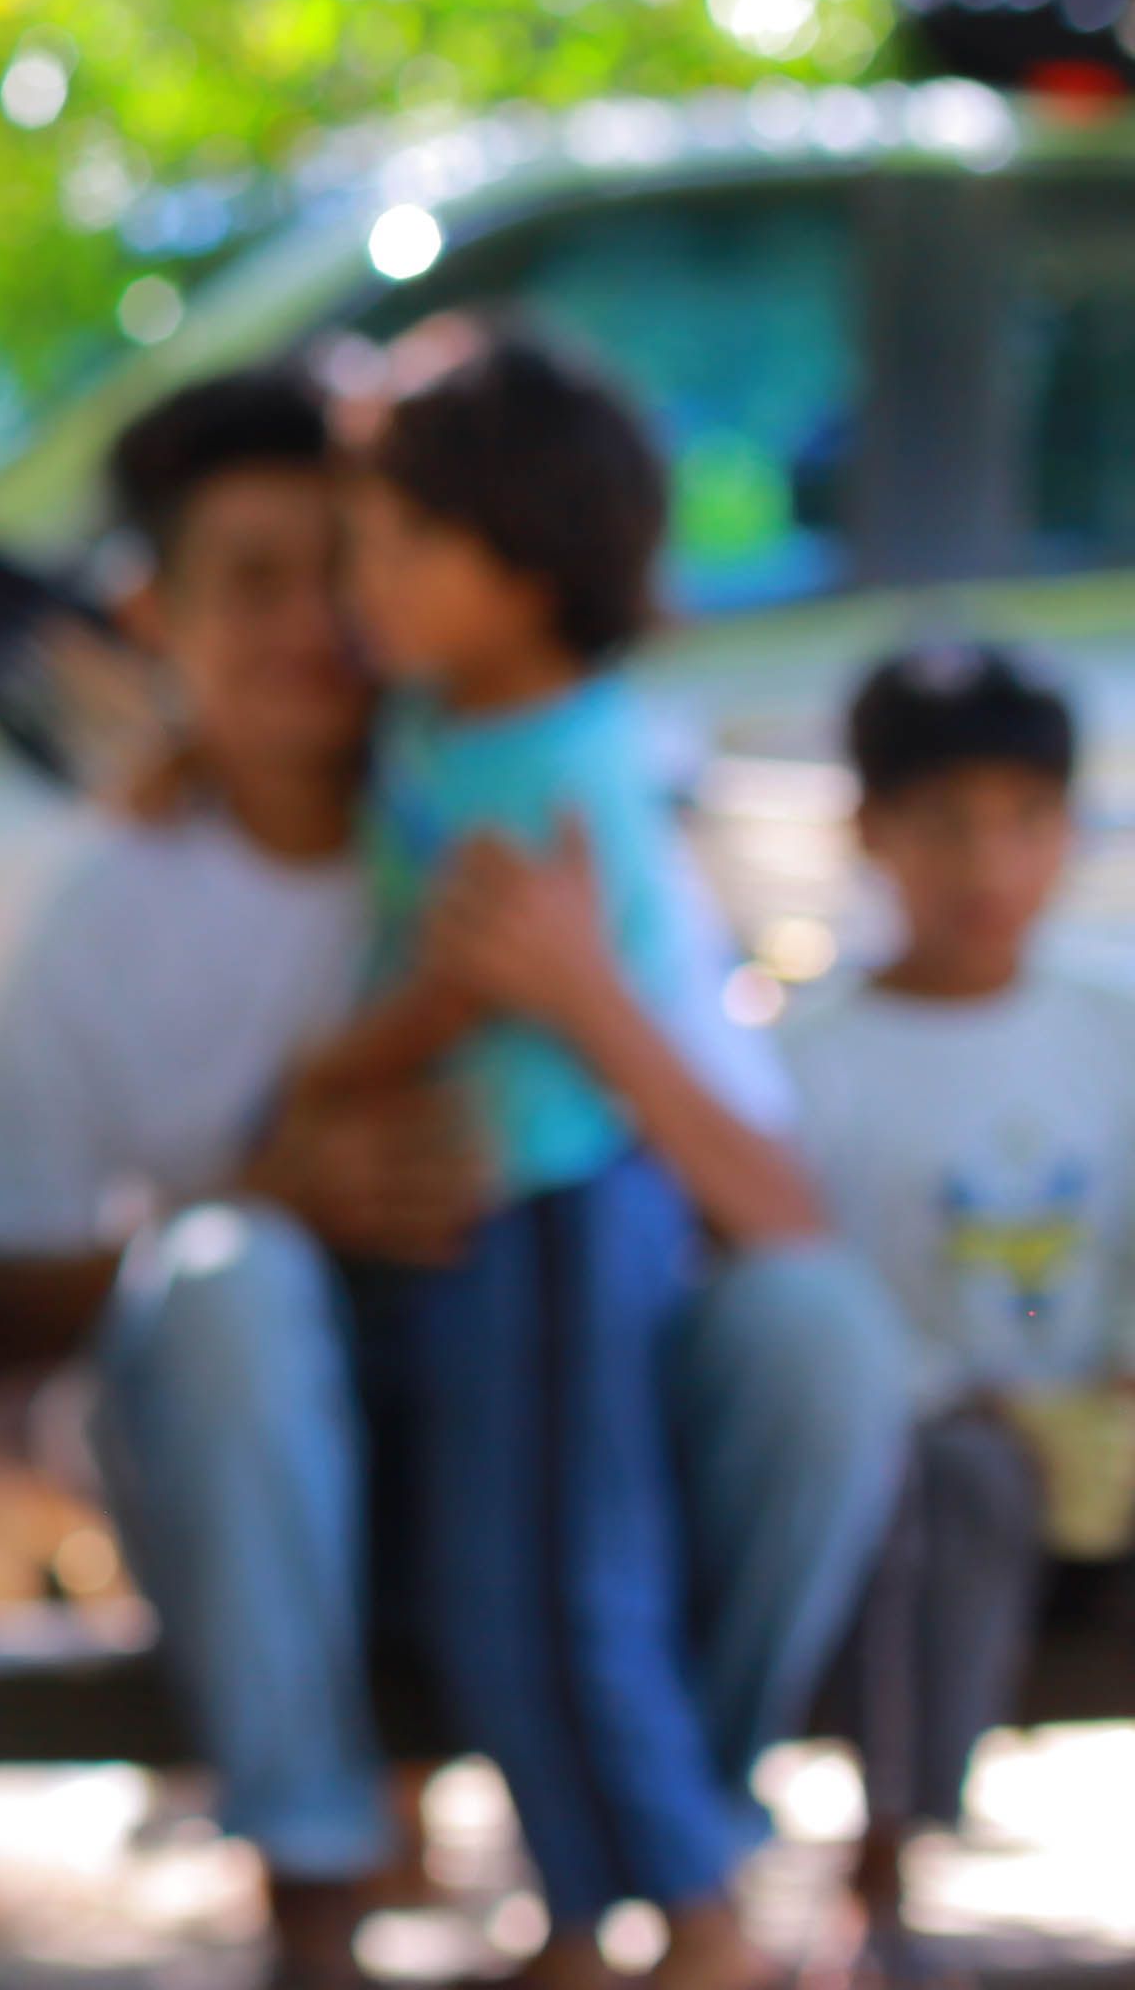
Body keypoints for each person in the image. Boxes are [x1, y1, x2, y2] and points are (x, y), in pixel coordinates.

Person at [0, 365, 908, 1990]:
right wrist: (264, 1187)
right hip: (278, 1486)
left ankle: (675, 1879)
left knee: (819, 1329)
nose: (327, 614)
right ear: (151, 615)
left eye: (359, 557)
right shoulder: (116, 898)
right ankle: (320, 1894)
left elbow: (782, 1212)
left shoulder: (537, 801)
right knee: (231, 1282)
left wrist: (582, 991)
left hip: (555, 1404)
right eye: (256, 579)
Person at [291, 329, 775, 1990]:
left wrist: (324, 1076)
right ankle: (578, 1915)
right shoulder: (437, 729)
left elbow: (453, 991)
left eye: (399, 539)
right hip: (484, 1219)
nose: (361, 575)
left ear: (521, 561)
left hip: (566, 1210)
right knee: (493, 1581)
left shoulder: (563, 757)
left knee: (576, 1585)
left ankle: (703, 1918)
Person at [787, 643, 1135, 1947]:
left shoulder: (1112, 1026)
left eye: (1024, 823)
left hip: (1110, 1463)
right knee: (949, 1491)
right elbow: (804, 1303)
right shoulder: (810, 1066)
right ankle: (884, 1894)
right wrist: (970, 1405)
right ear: (872, 832)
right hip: (932, 1479)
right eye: (946, 826)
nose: (988, 867)